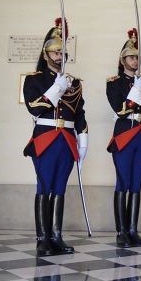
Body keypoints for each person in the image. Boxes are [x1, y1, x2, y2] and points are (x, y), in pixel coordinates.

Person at [22, 18, 88, 257]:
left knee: (59, 187)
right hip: (46, 137)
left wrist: (83, 139)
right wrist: (56, 88)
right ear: (46, 53)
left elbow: (79, 112)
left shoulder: (74, 82)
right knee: (44, 186)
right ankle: (43, 239)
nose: (60, 56)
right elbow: (34, 108)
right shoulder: (34, 79)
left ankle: (56, 236)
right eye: (55, 52)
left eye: (62, 52)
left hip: (67, 139)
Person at [106, 29, 141, 248]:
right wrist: (135, 90)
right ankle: (121, 232)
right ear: (122, 60)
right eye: (131, 57)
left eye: (138, 57)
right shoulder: (114, 82)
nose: (135, 61)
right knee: (123, 182)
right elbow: (120, 109)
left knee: (136, 183)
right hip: (125, 134)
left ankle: (132, 230)